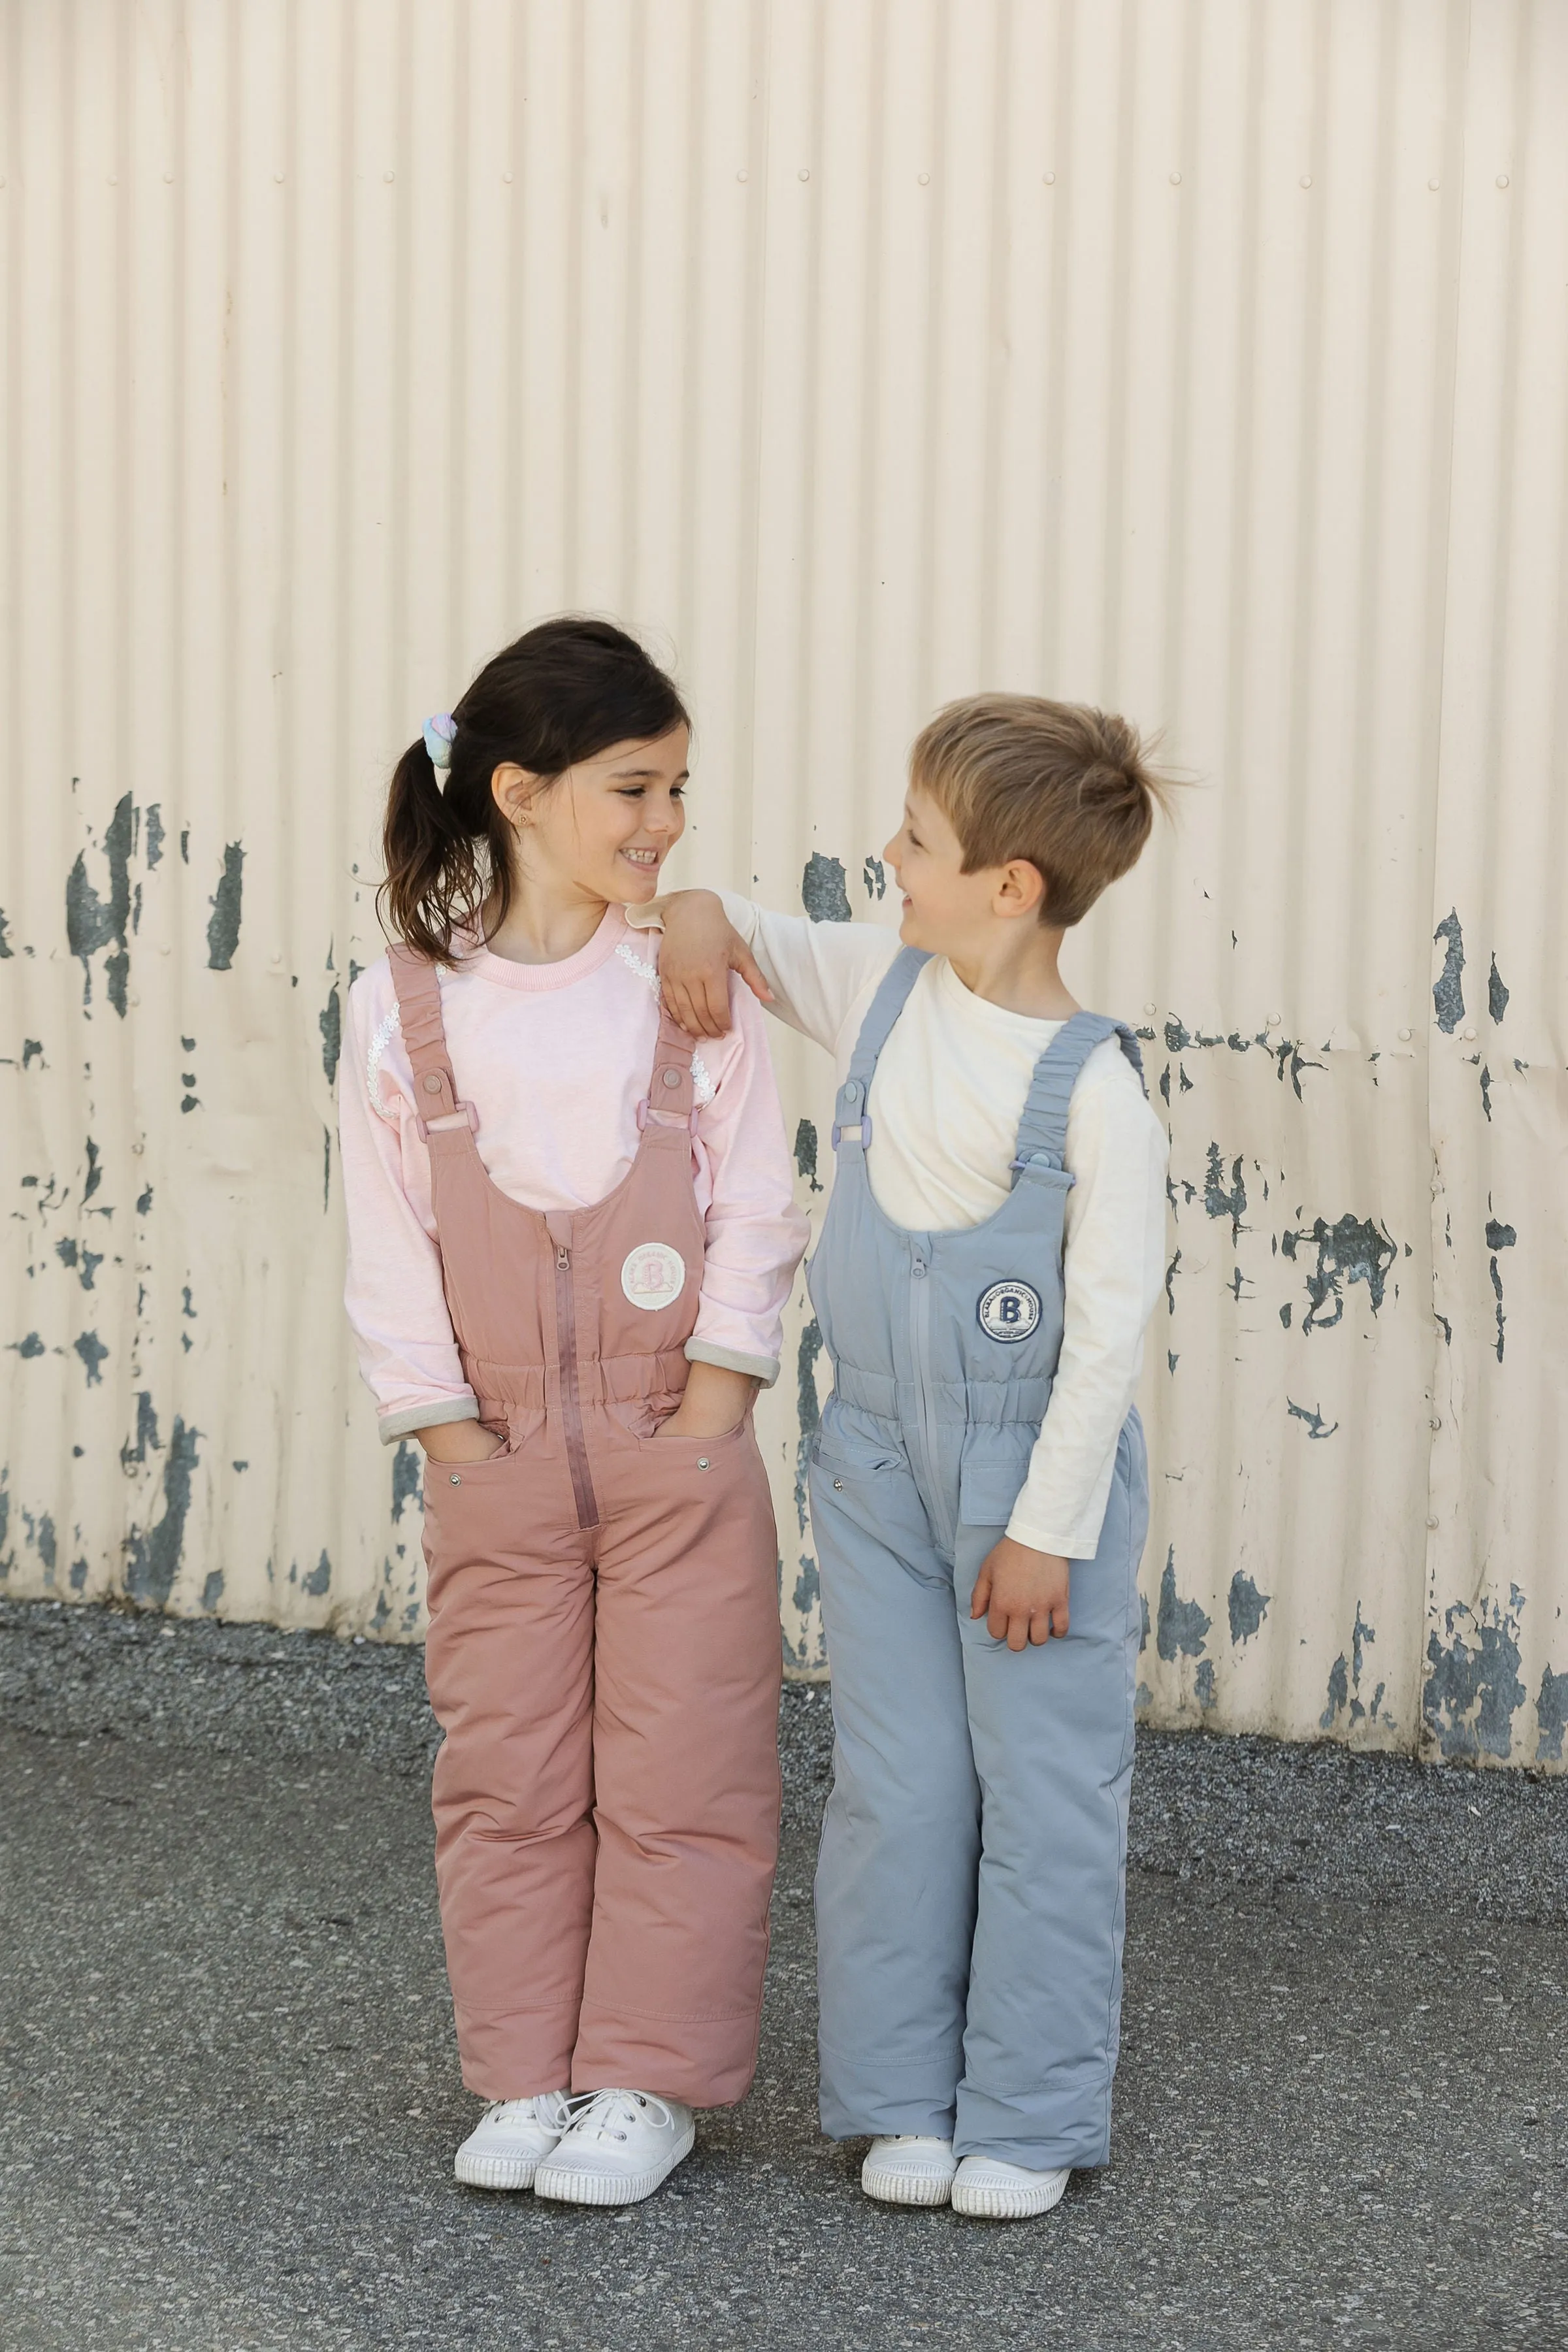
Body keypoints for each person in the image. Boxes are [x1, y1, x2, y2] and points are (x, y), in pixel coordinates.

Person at [645, 694, 1171, 2220]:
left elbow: (1109, 1339)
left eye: (919, 840)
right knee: (900, 1784)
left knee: (1046, 1791)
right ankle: (899, 2097)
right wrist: (689, 924)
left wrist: (1049, 1529)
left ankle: (1029, 2110)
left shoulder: (1099, 1093)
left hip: (1032, 1493)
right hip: (872, 1472)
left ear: (1012, 885)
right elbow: (725, 916)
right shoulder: (882, 982)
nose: (888, 855)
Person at [339, 617, 808, 2207]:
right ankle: (527, 2072)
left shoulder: (684, 980)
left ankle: (644, 2080)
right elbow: (383, 1232)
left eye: (679, 787)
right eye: (633, 788)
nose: (665, 822)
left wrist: (719, 1401)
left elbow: (755, 1196)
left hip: (676, 1444)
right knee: (510, 1770)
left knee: (688, 1769)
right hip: (498, 1455)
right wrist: (447, 1433)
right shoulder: (404, 1004)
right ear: (521, 794)